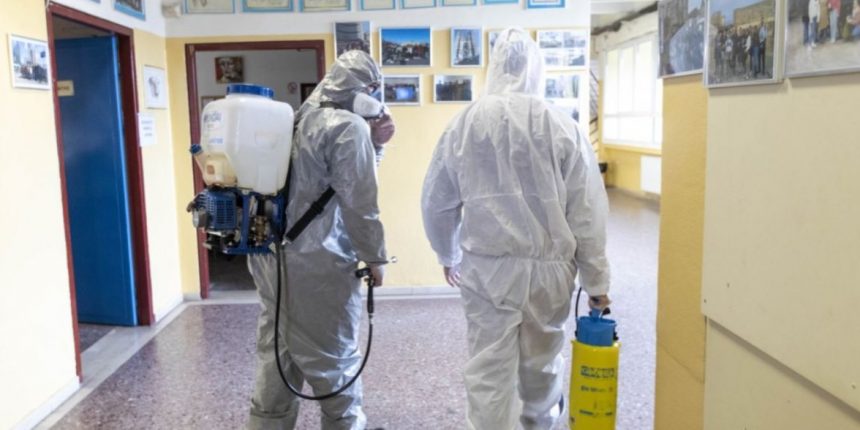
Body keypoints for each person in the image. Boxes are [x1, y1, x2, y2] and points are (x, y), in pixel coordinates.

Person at [421, 28, 611, 430]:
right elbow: (588, 213)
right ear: (537, 69)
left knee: (489, 367)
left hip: (487, 269)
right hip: (550, 271)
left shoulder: (464, 125)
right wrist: (596, 281)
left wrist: (447, 254)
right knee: (541, 364)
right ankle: (539, 423)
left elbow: (437, 201)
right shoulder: (562, 126)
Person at [246, 50, 395, 430]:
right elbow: (360, 202)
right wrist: (375, 258)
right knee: (334, 356)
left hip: (270, 258)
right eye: (373, 89)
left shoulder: (294, 120)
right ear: (361, 89)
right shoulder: (348, 127)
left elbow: (329, 186)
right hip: (319, 263)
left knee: (278, 350)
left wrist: (375, 145)